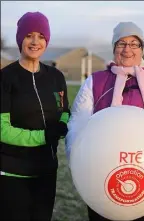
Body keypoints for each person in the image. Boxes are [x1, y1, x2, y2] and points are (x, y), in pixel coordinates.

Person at [65, 21, 144, 221]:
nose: (127, 49)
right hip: (101, 176)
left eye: (134, 44)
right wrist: (78, 159)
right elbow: (78, 124)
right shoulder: (96, 82)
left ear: (141, 49)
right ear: (114, 48)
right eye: (122, 43)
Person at [0, 12, 69, 220]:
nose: (35, 42)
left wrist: (62, 125)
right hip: (13, 173)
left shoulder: (56, 77)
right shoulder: (6, 78)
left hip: (46, 171)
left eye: (41, 36)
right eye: (29, 35)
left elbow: (64, 110)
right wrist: (42, 136)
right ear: (20, 39)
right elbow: (2, 130)